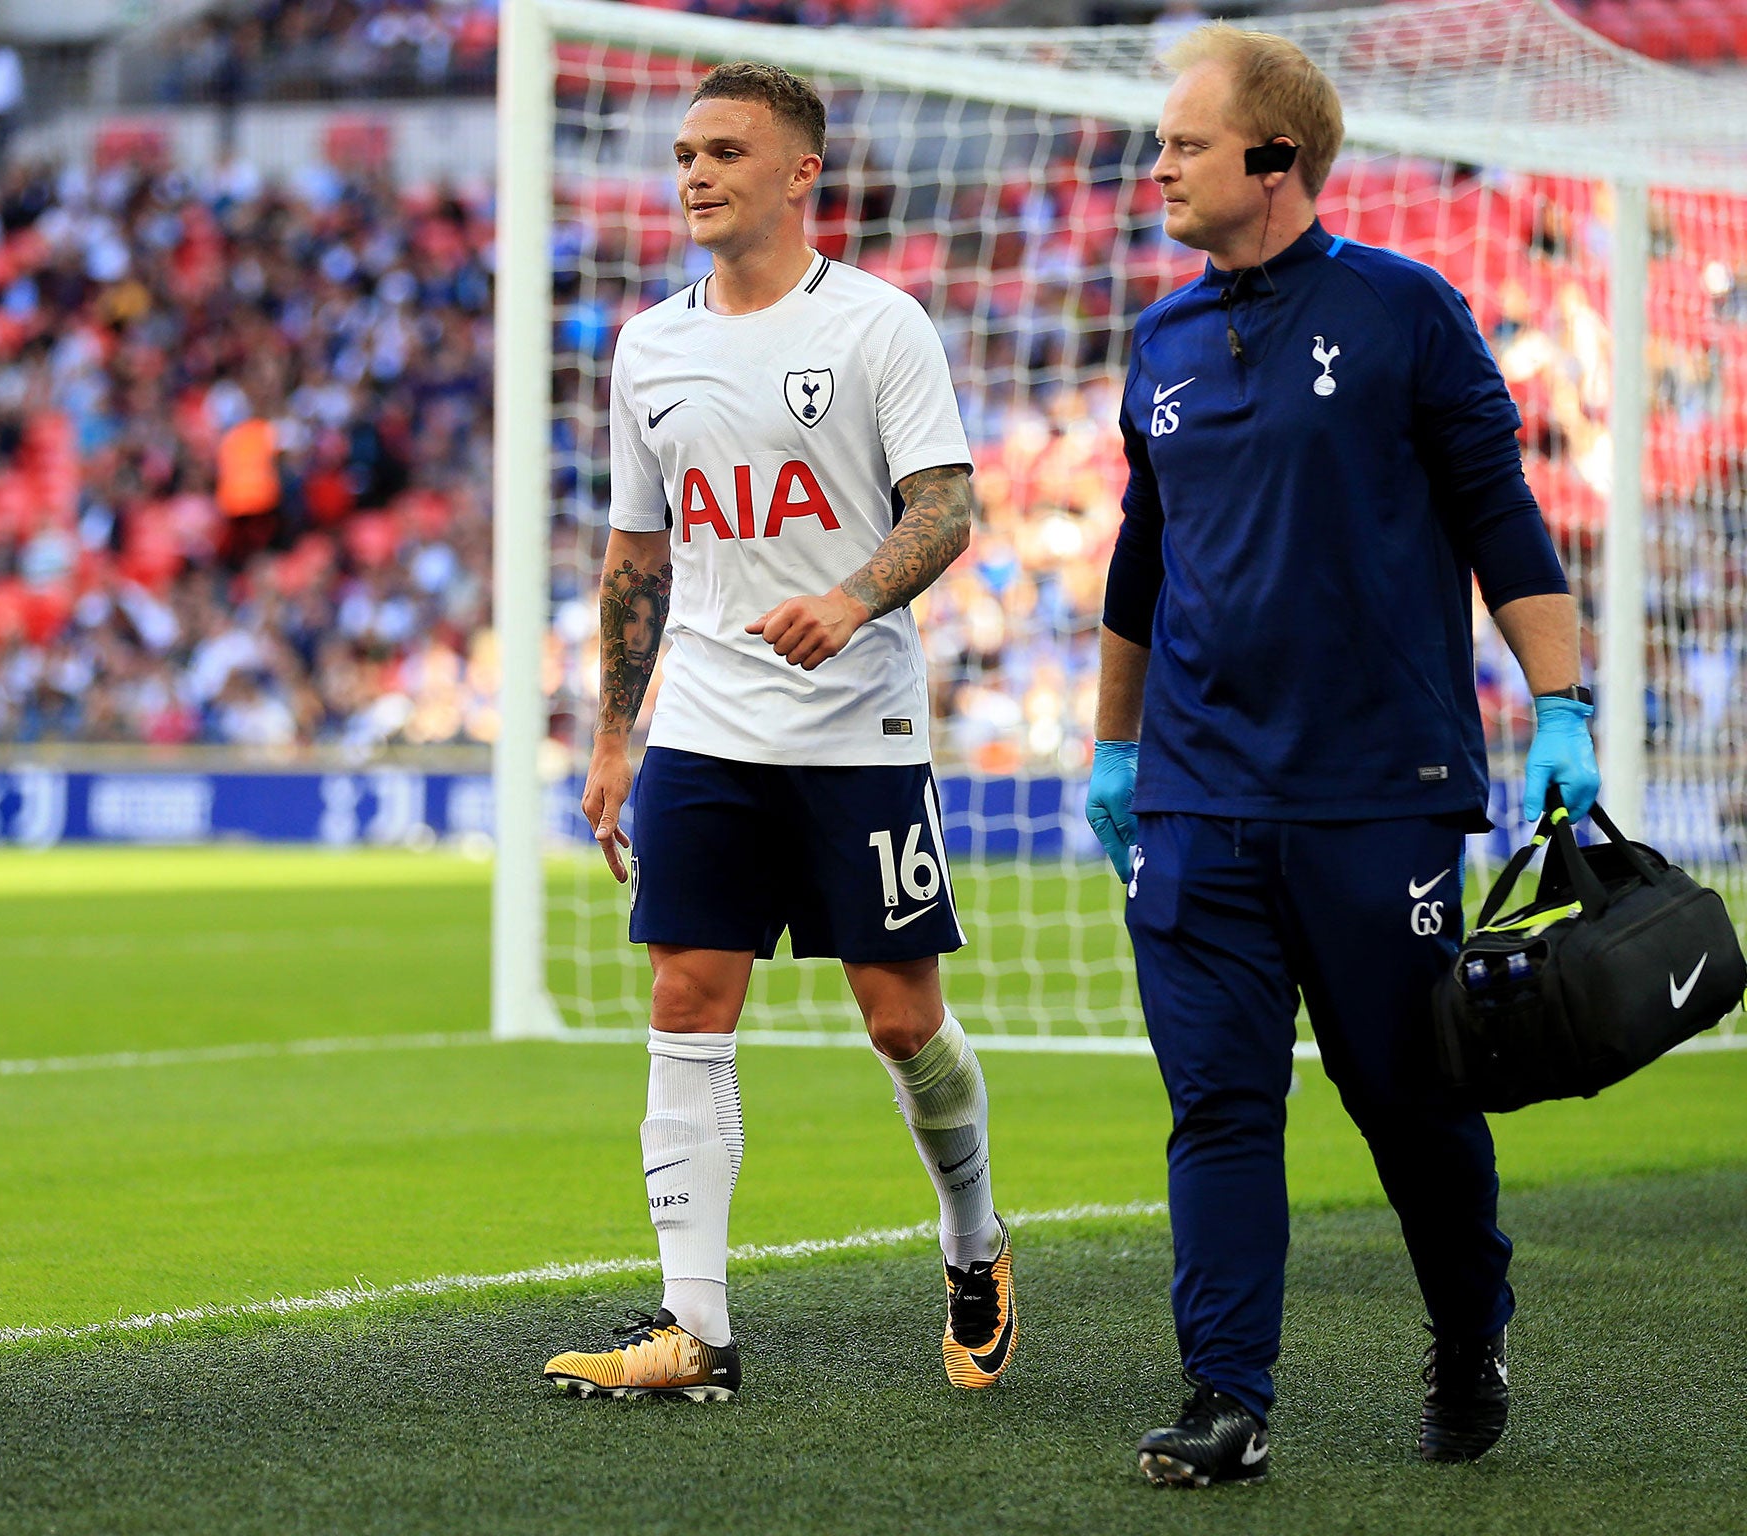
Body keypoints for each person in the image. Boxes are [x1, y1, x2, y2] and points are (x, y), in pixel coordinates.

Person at [1085, 24, 1600, 1486]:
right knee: (1221, 1105)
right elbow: (1141, 565)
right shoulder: (1162, 340)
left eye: (1187, 143)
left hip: (1377, 800)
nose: (1163, 166)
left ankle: (1469, 1322)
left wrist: (1562, 705)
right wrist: (1114, 751)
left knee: (1408, 1101)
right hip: (1193, 800)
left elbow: (1503, 524)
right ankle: (1226, 1399)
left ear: (1276, 160)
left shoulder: (1407, 312)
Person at [543, 62, 1015, 1402]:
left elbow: (944, 508)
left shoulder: (877, 325)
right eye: (686, 151)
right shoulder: (651, 344)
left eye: (726, 150)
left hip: (855, 721)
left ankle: (973, 1244)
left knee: (899, 1021)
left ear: (800, 173)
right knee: (685, 1000)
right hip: (700, 717)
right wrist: (614, 737)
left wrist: (853, 595)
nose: (695, 172)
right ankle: (695, 1330)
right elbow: (639, 553)